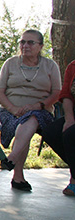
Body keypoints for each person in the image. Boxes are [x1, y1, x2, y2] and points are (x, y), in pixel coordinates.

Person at [0, 29, 61, 191]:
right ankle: (17, 177)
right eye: (22, 42)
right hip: (10, 111)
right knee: (25, 123)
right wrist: (13, 109)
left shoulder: (50, 66)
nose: (25, 46)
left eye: (30, 42)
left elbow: (57, 93)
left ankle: (12, 160)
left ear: (40, 46)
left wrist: (39, 105)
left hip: (41, 111)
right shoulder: (10, 63)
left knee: (31, 118)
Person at [41, 59, 75, 196]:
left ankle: (74, 180)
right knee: (51, 132)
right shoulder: (72, 66)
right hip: (74, 113)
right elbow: (66, 96)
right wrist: (69, 118)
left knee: (71, 135)